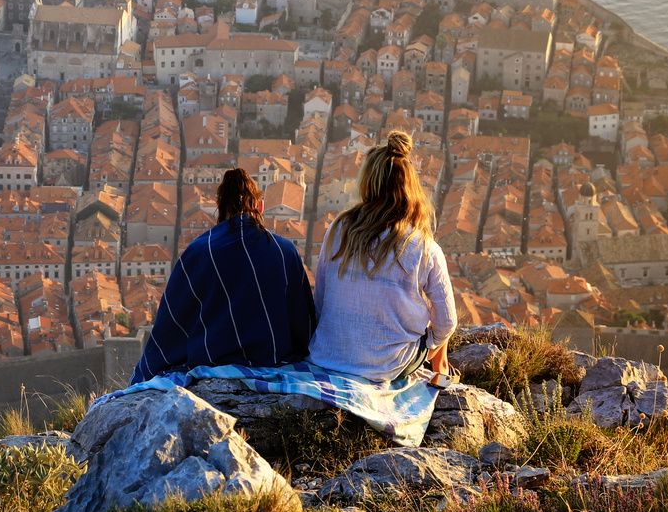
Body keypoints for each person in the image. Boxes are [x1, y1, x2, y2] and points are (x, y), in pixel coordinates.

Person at [130, 168, 316, 381]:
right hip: (273, 359)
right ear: (260, 207)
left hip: (210, 361)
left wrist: (147, 370)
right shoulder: (284, 251)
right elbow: (302, 320)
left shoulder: (199, 252)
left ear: (219, 208)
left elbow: (173, 319)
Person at [307, 130, 455, 382]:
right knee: (438, 330)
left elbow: (321, 299)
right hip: (388, 365)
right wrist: (431, 344)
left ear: (368, 182)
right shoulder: (423, 246)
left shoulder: (338, 228)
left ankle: (440, 370)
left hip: (328, 355)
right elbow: (447, 321)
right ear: (410, 187)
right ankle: (441, 373)